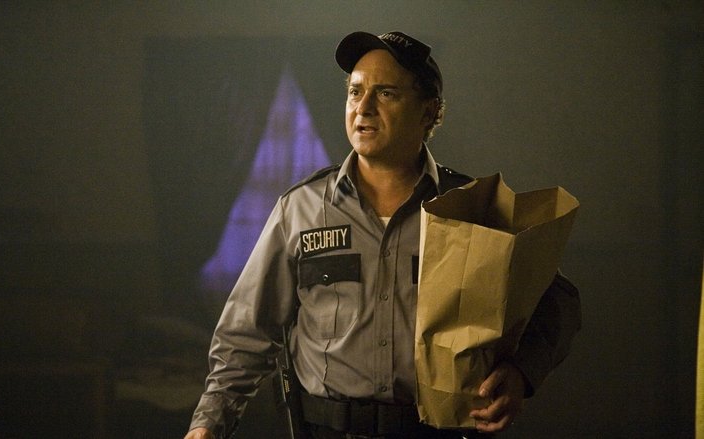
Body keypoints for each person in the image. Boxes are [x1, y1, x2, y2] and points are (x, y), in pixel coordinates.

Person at [184, 31, 581, 439]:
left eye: (386, 93)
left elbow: (559, 301)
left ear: (429, 112)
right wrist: (207, 424)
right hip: (326, 431)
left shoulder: (471, 207)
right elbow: (245, 335)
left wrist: (520, 372)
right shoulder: (300, 209)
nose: (364, 107)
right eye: (355, 92)